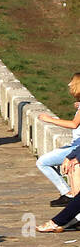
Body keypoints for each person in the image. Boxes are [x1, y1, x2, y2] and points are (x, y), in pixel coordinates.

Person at [36, 74, 80, 202]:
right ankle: (69, 193)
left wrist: (50, 120)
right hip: (75, 145)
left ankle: (68, 193)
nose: (69, 85)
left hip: (77, 147)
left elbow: (74, 124)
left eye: (71, 82)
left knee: (42, 162)